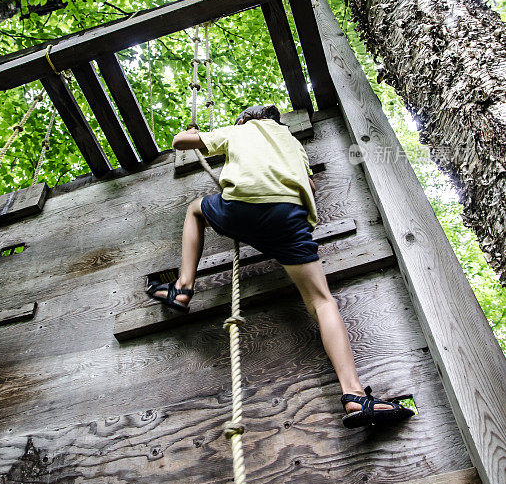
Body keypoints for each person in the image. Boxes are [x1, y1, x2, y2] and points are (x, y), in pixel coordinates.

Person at [146, 104, 414, 429]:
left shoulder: (240, 130)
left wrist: (192, 134)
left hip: (243, 206)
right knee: (322, 301)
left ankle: (183, 287)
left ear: (244, 119)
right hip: (289, 217)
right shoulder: (294, 145)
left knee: (194, 210)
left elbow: (178, 142)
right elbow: (311, 188)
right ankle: (354, 395)